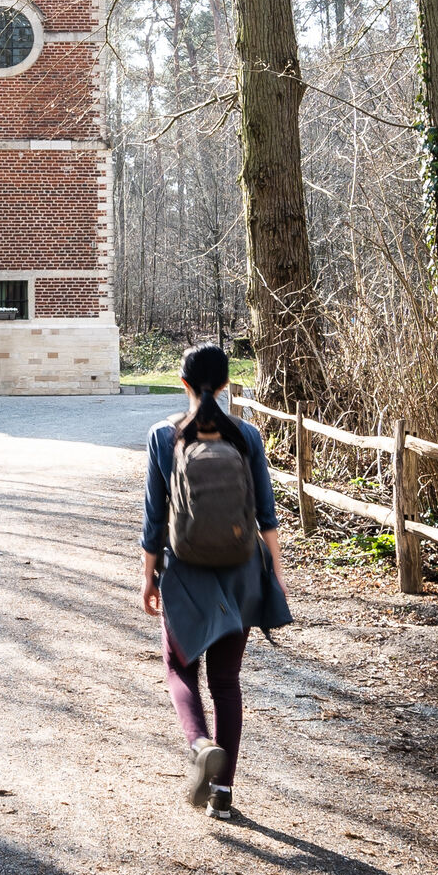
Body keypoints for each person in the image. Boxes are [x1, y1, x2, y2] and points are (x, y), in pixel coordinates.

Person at [141, 343, 292, 821]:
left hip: (185, 574)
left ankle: (200, 744)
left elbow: (154, 519)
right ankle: (223, 795)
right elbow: (266, 515)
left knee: (180, 669)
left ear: (183, 383)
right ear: (226, 385)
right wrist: (277, 577)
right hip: (242, 571)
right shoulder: (247, 435)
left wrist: (149, 577)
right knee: (226, 681)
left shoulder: (164, 436)